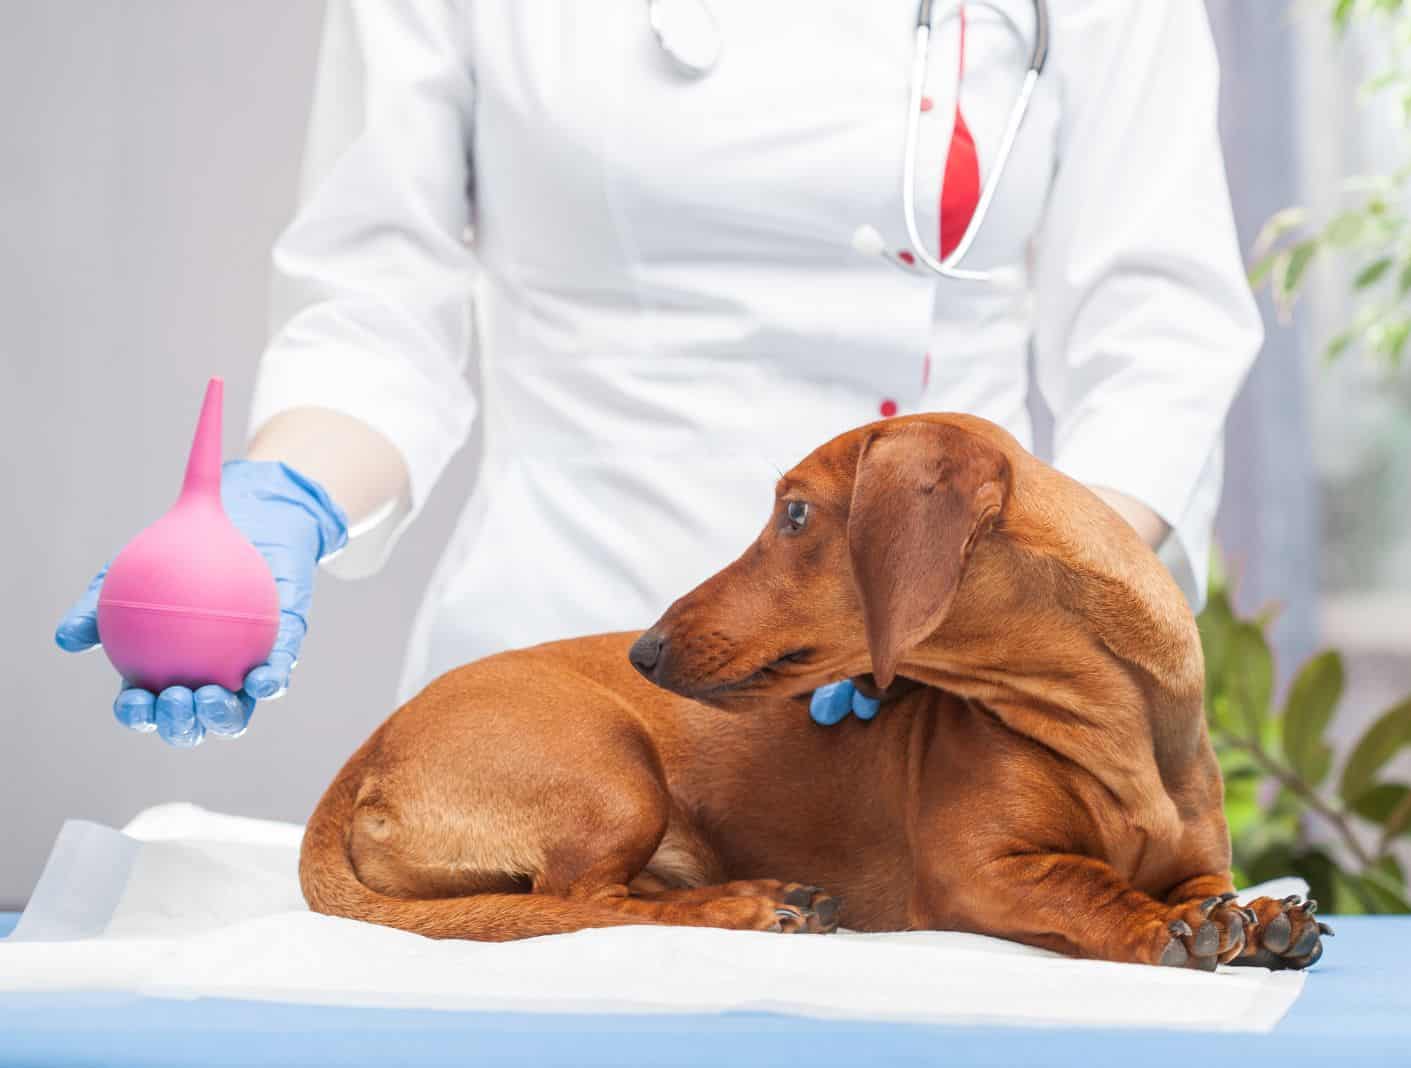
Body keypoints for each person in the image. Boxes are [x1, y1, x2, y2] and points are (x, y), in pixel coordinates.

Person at [56, 0, 1261, 747]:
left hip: (931, 695)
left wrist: (990, 603)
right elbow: (376, 306)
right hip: (564, 663)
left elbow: (1158, 332)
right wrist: (290, 500)